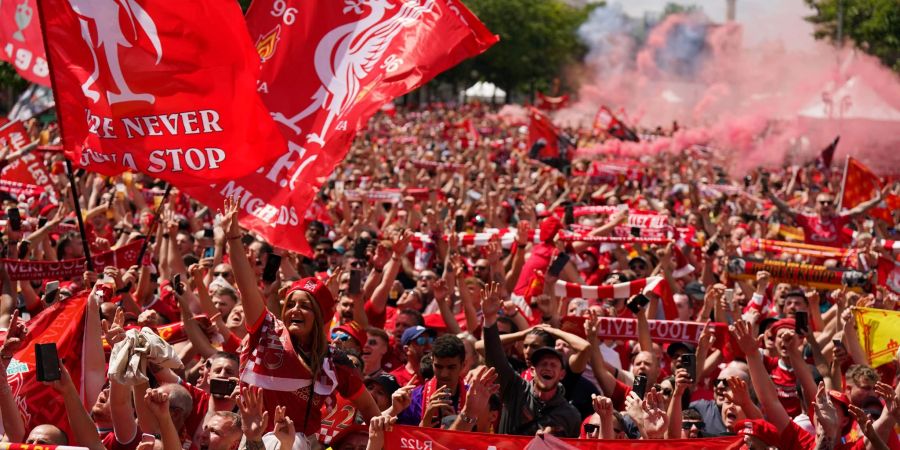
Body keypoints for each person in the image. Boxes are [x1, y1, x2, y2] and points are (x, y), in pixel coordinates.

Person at [221, 200, 380, 440]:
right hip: (254, 441)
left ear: (320, 316)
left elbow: (369, 409)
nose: (295, 309)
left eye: (305, 306)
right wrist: (233, 239)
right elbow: (246, 287)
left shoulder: (335, 361)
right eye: (291, 303)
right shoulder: (266, 330)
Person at [481, 282, 581, 437]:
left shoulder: (570, 415)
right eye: (542, 364)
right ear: (532, 371)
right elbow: (495, 358)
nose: (547, 367)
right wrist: (490, 319)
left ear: (561, 374)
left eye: (553, 364)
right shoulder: (515, 389)